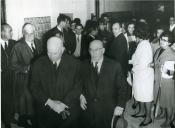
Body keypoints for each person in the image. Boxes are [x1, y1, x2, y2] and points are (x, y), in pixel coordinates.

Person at [30, 37, 81, 128]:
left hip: (68, 111)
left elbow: (78, 87)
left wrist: (63, 104)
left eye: (55, 53)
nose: (51, 56)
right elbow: (34, 87)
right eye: (49, 52)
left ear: (62, 49)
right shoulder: (37, 64)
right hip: (45, 112)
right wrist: (50, 103)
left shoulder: (75, 64)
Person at [80, 40, 127, 128]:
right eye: (91, 50)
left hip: (108, 109)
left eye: (96, 50)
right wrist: (81, 95)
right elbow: (79, 83)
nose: (93, 53)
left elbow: (123, 87)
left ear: (103, 50)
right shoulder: (83, 65)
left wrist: (120, 106)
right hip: (88, 109)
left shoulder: (115, 66)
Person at [11, 23, 43, 127]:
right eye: (27, 33)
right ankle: (24, 120)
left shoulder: (38, 42)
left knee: (37, 100)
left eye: (32, 33)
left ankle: (34, 119)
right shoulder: (18, 46)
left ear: (35, 32)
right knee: (26, 103)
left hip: (38, 78)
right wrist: (26, 68)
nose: (30, 36)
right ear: (23, 33)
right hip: (24, 79)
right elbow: (13, 65)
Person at [129, 23, 154, 127]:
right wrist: (128, 61)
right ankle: (141, 112)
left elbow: (143, 63)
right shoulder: (141, 43)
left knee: (146, 97)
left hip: (144, 76)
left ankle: (148, 118)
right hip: (140, 75)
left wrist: (133, 69)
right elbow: (135, 58)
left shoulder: (145, 45)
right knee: (140, 95)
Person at [153, 31, 175, 128]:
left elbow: (173, 72)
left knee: (168, 102)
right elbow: (157, 61)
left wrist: (166, 70)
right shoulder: (159, 50)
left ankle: (169, 119)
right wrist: (153, 64)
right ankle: (162, 113)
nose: (162, 41)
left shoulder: (172, 54)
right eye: (161, 39)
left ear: (170, 42)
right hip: (158, 79)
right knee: (160, 98)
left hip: (167, 82)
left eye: (165, 40)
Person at [1, 23, 16, 128]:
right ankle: (5, 120)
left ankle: (11, 116)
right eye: (9, 31)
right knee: (3, 100)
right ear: (2, 32)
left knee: (12, 97)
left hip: (12, 76)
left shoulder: (14, 43)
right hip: (1, 79)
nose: (12, 33)